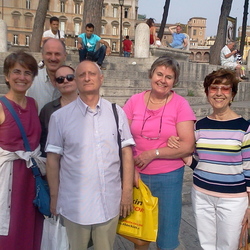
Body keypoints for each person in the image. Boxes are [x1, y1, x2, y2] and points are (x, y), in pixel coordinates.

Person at [45, 60, 135, 250]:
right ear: (76, 81)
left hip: (109, 202)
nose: (87, 78)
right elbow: (53, 160)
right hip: (75, 205)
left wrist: (126, 192)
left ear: (101, 79)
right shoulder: (60, 117)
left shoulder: (116, 112)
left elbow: (127, 153)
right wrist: (55, 196)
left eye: (92, 74)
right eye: (82, 75)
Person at [169, 68, 250, 250]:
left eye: (225, 89)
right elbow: (197, 162)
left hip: (233, 199)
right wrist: (178, 146)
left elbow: (249, 169)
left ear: (232, 94)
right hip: (201, 195)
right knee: (206, 245)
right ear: (207, 93)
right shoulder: (199, 125)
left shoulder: (244, 128)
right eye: (214, 88)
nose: (219, 93)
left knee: (228, 246)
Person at [123, 56, 196, 250]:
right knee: (139, 232)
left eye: (169, 77)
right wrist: (131, 170)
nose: (163, 80)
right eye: (159, 74)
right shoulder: (134, 101)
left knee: (167, 231)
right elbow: (122, 138)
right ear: (151, 75)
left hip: (169, 177)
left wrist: (152, 153)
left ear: (175, 81)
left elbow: (188, 146)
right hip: (137, 176)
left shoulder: (180, 105)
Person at [0, 51, 45, 249]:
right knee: (9, 231)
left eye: (28, 73)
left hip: (31, 179)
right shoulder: (1, 106)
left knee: (30, 228)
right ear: (7, 76)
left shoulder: (33, 104)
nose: (22, 77)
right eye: (16, 72)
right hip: (7, 180)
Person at [39, 65, 78, 157]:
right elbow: (42, 141)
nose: (65, 81)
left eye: (70, 77)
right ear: (56, 84)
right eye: (60, 79)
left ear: (77, 79)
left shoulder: (89, 106)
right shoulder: (47, 110)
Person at [27, 38, 67, 113]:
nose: (53, 58)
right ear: (42, 55)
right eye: (49, 53)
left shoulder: (74, 82)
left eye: (57, 54)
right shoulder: (32, 79)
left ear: (65, 56)